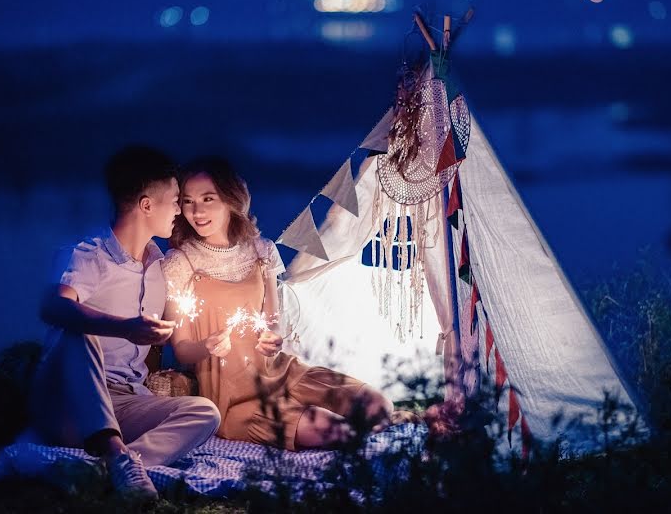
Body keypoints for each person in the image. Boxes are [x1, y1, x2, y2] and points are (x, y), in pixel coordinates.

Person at [162, 157, 397, 451]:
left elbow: (273, 320)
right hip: (233, 397)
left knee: (377, 405)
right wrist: (206, 346)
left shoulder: (262, 251)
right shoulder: (179, 263)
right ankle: (357, 442)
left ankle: (363, 430)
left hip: (283, 373)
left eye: (208, 199)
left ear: (231, 199)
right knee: (331, 430)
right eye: (187, 201)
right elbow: (181, 348)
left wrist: (273, 337)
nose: (197, 210)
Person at [26, 146, 221, 499]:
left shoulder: (158, 268)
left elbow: (158, 344)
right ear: (147, 205)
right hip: (69, 400)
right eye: (175, 200)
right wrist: (124, 326)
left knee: (204, 412)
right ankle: (115, 454)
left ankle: (113, 468)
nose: (180, 210)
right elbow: (52, 307)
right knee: (78, 330)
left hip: (124, 403)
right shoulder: (87, 255)